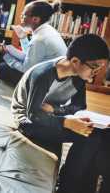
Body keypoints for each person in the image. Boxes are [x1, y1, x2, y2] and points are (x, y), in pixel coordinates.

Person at [11, 34, 110, 193]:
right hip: (28, 121)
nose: (96, 73)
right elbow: (34, 114)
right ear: (76, 61)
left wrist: (57, 111)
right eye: (94, 67)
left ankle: (89, 186)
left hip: (51, 116)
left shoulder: (78, 77)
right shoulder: (43, 74)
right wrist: (67, 122)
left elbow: (79, 106)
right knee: (91, 136)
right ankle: (68, 186)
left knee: (105, 133)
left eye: (100, 69)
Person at [0, 0, 67, 85]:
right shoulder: (48, 29)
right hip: (50, 75)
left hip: (45, 83)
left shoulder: (40, 39)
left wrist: (6, 57)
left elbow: (26, 69)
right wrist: (23, 38)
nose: (21, 17)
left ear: (35, 19)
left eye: (24, 15)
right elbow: (31, 56)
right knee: (7, 56)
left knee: (2, 67)